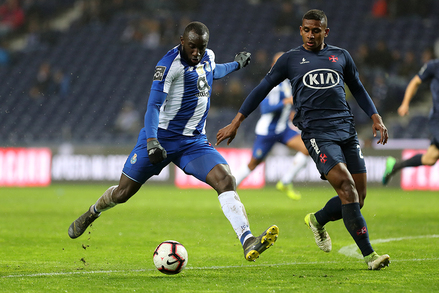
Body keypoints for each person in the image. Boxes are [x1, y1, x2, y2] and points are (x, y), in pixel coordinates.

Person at [68, 21, 279, 262]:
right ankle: (92, 213)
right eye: (192, 47)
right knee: (123, 193)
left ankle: (247, 239)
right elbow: (153, 107)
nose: (196, 53)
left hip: (193, 142)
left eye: (201, 47)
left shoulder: (206, 57)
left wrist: (236, 64)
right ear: (182, 41)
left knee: (225, 179)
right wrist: (151, 141)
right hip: (161, 138)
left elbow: (213, 70)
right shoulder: (168, 66)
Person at [216, 9, 390, 270]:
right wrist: (237, 121)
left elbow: (358, 89)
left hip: (346, 130)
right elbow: (261, 89)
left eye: (316, 30)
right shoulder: (290, 59)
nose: (310, 35)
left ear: (325, 32)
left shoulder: (341, 56)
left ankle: (317, 220)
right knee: (347, 188)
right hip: (316, 133)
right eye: (306, 30)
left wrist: (375, 117)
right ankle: (370, 256)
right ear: (301, 30)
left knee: (358, 198)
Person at [234, 52, 309, 200]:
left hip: (283, 129)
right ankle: (230, 187)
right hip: (267, 131)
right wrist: (286, 102)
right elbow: (265, 108)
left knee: (308, 149)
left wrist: (292, 111)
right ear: (274, 65)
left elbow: (290, 103)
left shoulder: (288, 83)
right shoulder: (271, 83)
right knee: (253, 163)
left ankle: (286, 182)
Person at [382, 58, 439, 185]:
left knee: (430, 158)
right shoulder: (434, 66)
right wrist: (405, 103)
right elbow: (415, 82)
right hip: (437, 119)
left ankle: (396, 165)